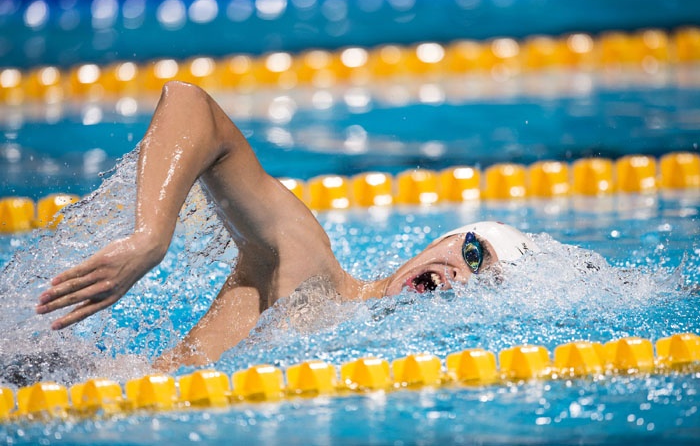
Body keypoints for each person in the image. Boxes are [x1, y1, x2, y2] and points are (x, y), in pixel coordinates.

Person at [34, 81, 538, 371]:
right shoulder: (312, 271)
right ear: (443, 240)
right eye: (474, 255)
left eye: (483, 287)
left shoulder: (377, 365)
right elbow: (191, 105)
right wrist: (151, 235)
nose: (463, 277)